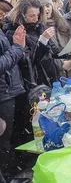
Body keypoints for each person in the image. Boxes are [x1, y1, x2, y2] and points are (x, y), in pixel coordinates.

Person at [0, 24, 26, 182]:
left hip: (8, 89)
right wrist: (17, 48)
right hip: (2, 93)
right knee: (3, 142)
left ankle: (8, 175)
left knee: (7, 139)